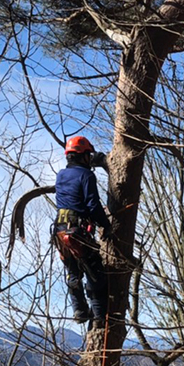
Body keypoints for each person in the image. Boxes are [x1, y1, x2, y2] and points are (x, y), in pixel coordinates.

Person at [53, 136, 110, 328]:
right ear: (83, 155)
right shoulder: (87, 176)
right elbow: (93, 205)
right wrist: (106, 225)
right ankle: (100, 316)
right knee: (96, 273)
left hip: (60, 231)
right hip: (78, 230)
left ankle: (79, 310)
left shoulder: (61, 175)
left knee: (73, 271)